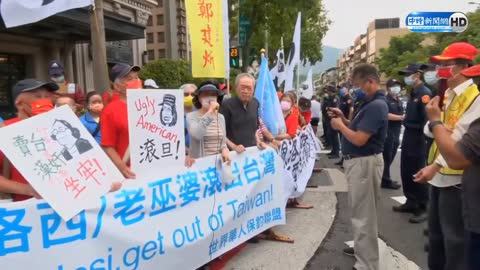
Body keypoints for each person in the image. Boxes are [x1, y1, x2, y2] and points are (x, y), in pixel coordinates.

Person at [414, 42, 478, 270]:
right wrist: (437, 126)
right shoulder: (449, 93)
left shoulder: (474, 97)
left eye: (445, 65)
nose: (438, 70)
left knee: (455, 244)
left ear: (462, 66)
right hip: (440, 177)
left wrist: (438, 127)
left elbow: (461, 141)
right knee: (436, 240)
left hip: (457, 179)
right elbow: (431, 129)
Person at [329, 64, 388, 270]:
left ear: (370, 82)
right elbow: (357, 126)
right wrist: (344, 119)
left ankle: (367, 263)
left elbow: (360, 138)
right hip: (359, 162)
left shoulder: (376, 106)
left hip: (364, 162)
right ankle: (362, 249)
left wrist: (340, 126)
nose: (354, 89)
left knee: (364, 215)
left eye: (357, 85)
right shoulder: (368, 102)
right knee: (360, 211)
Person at [394, 63, 432, 224]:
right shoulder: (413, 92)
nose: (406, 77)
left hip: (418, 137)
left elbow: (426, 119)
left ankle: (422, 206)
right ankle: (410, 201)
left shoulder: (424, 93)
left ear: (417, 74)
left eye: (409, 74)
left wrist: (417, 130)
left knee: (418, 172)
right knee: (406, 170)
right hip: (409, 136)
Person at [101, 63, 142, 179]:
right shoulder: (110, 110)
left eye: (136, 77)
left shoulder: (151, 104)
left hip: (152, 166)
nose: (136, 81)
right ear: (117, 86)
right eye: (129, 79)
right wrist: (122, 168)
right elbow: (107, 145)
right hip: (129, 172)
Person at [187, 81, 230, 162]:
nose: (210, 97)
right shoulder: (191, 116)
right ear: (199, 98)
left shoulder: (220, 117)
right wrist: (210, 112)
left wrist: (225, 149)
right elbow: (197, 135)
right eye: (206, 94)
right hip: (201, 165)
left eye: (213, 94)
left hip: (218, 163)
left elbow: (223, 142)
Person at [381, 79, 404, 190]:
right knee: (387, 156)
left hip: (396, 131)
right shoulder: (385, 100)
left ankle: (384, 177)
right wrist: (401, 118)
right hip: (388, 131)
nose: (396, 88)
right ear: (388, 88)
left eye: (398, 85)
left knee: (392, 155)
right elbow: (386, 114)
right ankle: (385, 179)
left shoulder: (398, 100)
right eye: (394, 86)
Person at [335, 83, 354, 166]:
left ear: (347, 89)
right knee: (342, 141)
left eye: (342, 88)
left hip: (346, 123)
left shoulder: (349, 99)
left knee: (346, 142)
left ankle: (346, 161)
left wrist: (348, 121)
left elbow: (351, 110)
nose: (341, 90)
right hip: (341, 122)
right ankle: (343, 159)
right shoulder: (342, 98)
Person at [325, 84, 340, 159]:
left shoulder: (335, 98)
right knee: (331, 135)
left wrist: (329, 109)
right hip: (330, 118)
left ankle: (336, 152)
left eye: (328, 90)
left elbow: (335, 108)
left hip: (334, 118)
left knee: (334, 136)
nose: (327, 91)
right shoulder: (330, 97)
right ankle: (333, 150)